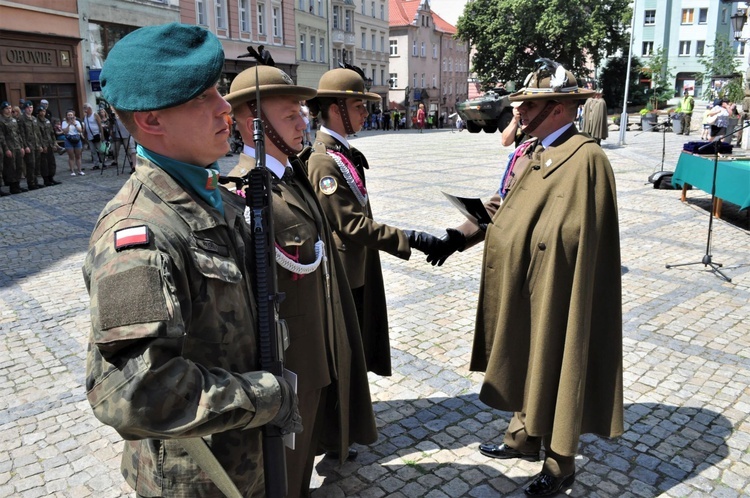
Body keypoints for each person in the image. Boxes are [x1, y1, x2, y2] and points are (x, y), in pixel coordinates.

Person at [83, 23, 301, 497]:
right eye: (203, 96)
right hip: (199, 478)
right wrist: (264, 395)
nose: (226, 107)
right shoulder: (139, 235)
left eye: (218, 90)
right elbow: (136, 392)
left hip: (246, 459)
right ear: (152, 120)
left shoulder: (212, 196)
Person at [428, 61, 623, 496]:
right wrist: (454, 239)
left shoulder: (586, 159)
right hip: (523, 284)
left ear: (556, 108)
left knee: (556, 360)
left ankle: (559, 465)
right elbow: (503, 208)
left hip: (554, 290)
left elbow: (579, 238)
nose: (518, 113)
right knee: (524, 357)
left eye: (528, 104)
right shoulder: (533, 151)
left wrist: (533, 249)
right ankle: (522, 438)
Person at [222, 65, 377, 498]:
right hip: (286, 363)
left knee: (302, 466)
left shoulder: (291, 177)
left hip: (315, 352)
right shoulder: (242, 191)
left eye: (301, 113)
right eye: (289, 115)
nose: (302, 121)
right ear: (253, 122)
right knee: (284, 476)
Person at [305, 68, 445, 377]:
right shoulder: (322, 161)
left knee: (361, 344)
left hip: (360, 262)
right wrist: (412, 238)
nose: (366, 113)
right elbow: (350, 224)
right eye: (359, 107)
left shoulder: (341, 152)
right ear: (334, 109)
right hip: (347, 271)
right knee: (349, 350)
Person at [1, 101, 28, 194]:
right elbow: (2, 137)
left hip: (17, 145)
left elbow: (18, 133)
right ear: (3, 110)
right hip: (9, 146)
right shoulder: (1, 120)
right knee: (11, 167)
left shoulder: (13, 119)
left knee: (19, 166)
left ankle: (17, 185)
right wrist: (6, 149)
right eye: (7, 108)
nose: (9, 110)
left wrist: (21, 146)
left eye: (10, 108)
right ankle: (13, 187)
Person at [18, 100, 44, 190]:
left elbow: (38, 133)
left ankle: (35, 181)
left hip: (36, 144)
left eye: (31, 107)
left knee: (36, 164)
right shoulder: (21, 119)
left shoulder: (34, 118)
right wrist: (25, 146)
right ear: (25, 109)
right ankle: (31, 183)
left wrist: (40, 145)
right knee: (30, 165)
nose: (30, 109)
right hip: (29, 145)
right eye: (28, 108)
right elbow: (21, 134)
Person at [36, 105, 61, 186]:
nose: (43, 113)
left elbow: (51, 133)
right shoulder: (36, 122)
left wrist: (54, 143)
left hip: (50, 144)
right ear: (38, 112)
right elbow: (38, 135)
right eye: (41, 111)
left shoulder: (47, 121)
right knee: (44, 164)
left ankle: (51, 178)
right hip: (43, 146)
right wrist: (42, 145)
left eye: (44, 111)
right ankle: (46, 180)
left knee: (51, 162)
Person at [82, 102, 105, 169]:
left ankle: (103, 163)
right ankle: (96, 164)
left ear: (89, 108)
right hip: (90, 136)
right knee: (93, 151)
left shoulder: (95, 115)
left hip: (96, 135)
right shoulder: (85, 117)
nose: (84, 110)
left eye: (85, 108)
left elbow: (100, 125)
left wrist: (102, 135)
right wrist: (84, 135)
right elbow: (85, 126)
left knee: (100, 150)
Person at [61, 110, 84, 175]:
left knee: (78, 155)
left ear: (73, 116)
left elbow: (80, 130)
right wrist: (69, 124)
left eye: (71, 115)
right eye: (68, 115)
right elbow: (65, 131)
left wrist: (74, 124)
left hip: (77, 139)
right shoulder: (64, 122)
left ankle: (79, 170)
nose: (70, 116)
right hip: (69, 139)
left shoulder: (77, 122)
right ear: (66, 116)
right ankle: (72, 171)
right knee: (71, 156)